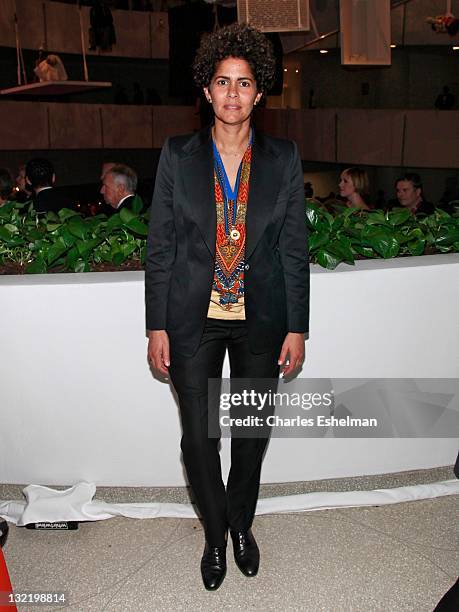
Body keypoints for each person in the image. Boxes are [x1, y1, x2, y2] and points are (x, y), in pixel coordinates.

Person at [145, 23, 309, 591]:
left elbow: (293, 249)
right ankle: (216, 535)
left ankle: (241, 524)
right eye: (223, 82)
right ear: (207, 91)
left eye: (244, 83)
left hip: (262, 321)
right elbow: (161, 246)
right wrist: (156, 324)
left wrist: (298, 328)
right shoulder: (178, 155)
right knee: (199, 438)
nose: (233, 93)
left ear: (260, 92)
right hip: (194, 318)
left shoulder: (284, 159)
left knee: (250, 433)